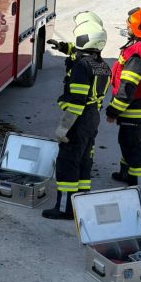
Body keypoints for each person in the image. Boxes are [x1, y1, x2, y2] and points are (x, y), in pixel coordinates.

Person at [42, 15, 110, 220]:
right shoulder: (102, 65)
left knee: (68, 161)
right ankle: (81, 203)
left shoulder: (81, 66)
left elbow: (76, 103)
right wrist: (64, 47)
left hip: (78, 119)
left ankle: (64, 209)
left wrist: (63, 127)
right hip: (93, 117)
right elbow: (80, 54)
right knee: (84, 160)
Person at [105, 6, 141, 198]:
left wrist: (113, 110)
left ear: (140, 28)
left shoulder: (137, 54)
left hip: (134, 108)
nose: (127, 26)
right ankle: (125, 174)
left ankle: (138, 187)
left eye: (129, 24)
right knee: (129, 142)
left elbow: (128, 88)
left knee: (132, 146)